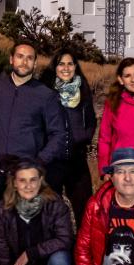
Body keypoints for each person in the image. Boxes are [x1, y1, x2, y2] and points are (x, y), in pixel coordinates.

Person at [0, 42, 67, 265]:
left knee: (26, 230)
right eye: (20, 56)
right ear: (11, 59)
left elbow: (58, 135)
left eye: (29, 58)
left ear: (35, 63)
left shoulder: (45, 95)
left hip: (26, 175)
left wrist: (38, 164)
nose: (24, 62)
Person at [42, 47, 97, 220]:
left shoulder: (83, 89)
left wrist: (83, 137)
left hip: (77, 160)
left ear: (75, 66)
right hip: (52, 162)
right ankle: (55, 246)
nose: (66, 68)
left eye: (70, 64)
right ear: (54, 67)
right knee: (50, 212)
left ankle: (82, 247)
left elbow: (91, 119)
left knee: (85, 210)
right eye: (61, 64)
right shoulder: (45, 92)